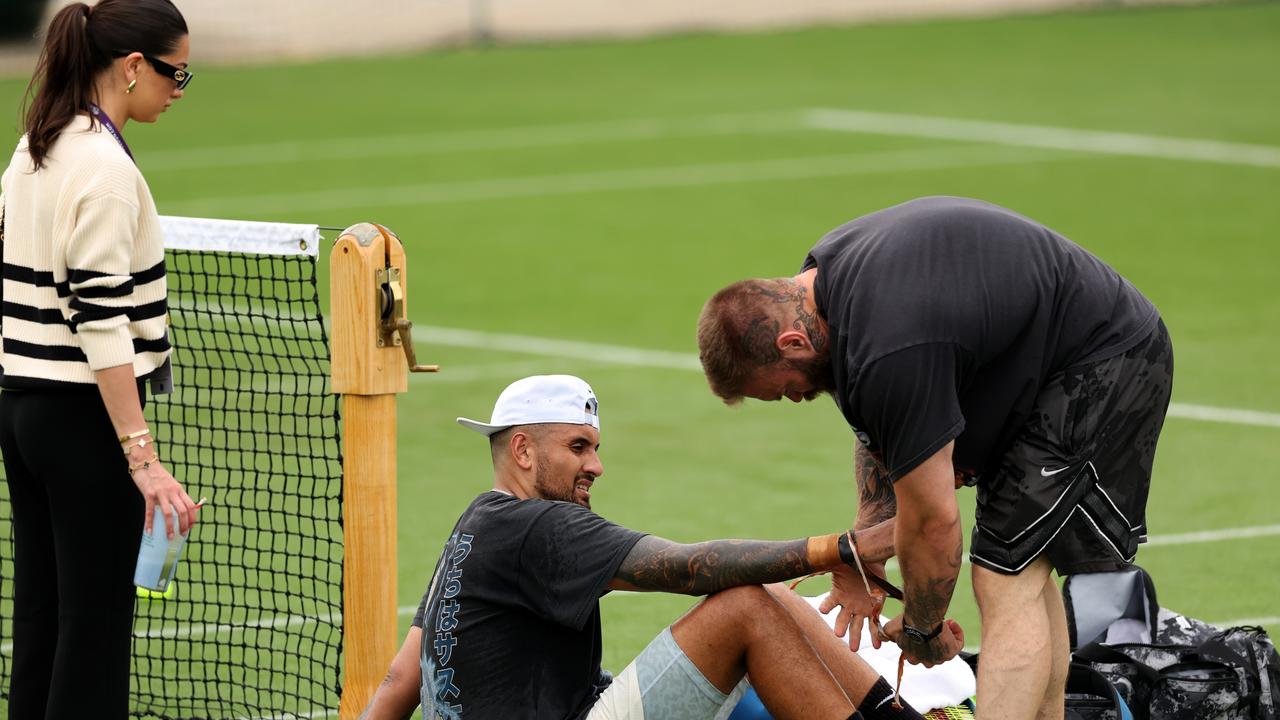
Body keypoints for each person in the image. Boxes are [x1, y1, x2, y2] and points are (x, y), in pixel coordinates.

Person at [696, 196, 1173, 720]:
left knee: (1004, 575)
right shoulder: (824, 289)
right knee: (1025, 568)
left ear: (790, 342)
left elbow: (933, 522)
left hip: (1103, 361)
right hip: (1046, 366)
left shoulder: (887, 344)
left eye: (781, 389)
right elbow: (882, 435)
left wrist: (922, 628)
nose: (792, 399)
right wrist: (861, 555)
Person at [361, 375, 943, 720]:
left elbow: (400, 678)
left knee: (758, 607)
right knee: (745, 605)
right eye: (579, 446)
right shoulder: (541, 526)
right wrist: (838, 549)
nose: (597, 465)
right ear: (522, 450)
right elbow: (691, 568)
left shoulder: (474, 528)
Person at [0, 1, 199, 716]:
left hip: (21, 413)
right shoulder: (105, 171)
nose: (179, 90)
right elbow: (100, 320)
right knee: (93, 629)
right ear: (133, 67)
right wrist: (141, 458)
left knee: (46, 619)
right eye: (177, 74)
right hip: (80, 421)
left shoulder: (35, 147)